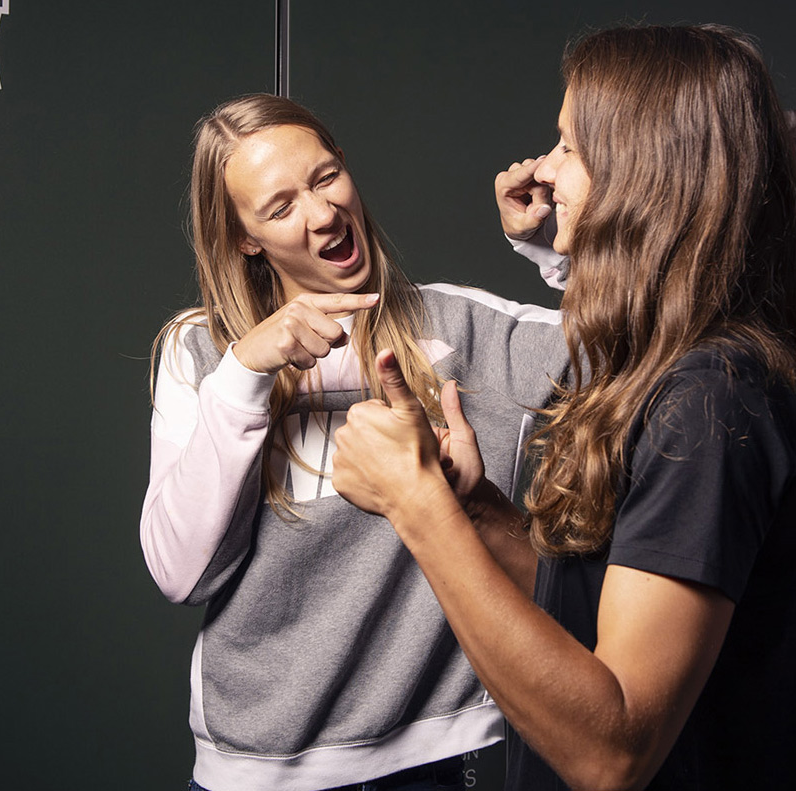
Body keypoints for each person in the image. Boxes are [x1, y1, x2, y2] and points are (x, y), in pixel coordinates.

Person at [332, 24, 796, 791]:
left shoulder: (710, 399)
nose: (544, 171)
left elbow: (610, 753)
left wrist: (416, 505)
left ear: (643, 174)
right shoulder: (648, 366)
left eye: (569, 147)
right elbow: (587, 614)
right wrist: (471, 508)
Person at [139, 93, 569, 791]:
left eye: (324, 177)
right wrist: (247, 374)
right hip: (256, 770)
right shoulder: (205, 353)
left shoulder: (464, 329)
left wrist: (556, 254)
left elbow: (647, 346)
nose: (321, 213)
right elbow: (180, 573)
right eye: (279, 207)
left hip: (431, 759)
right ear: (245, 238)